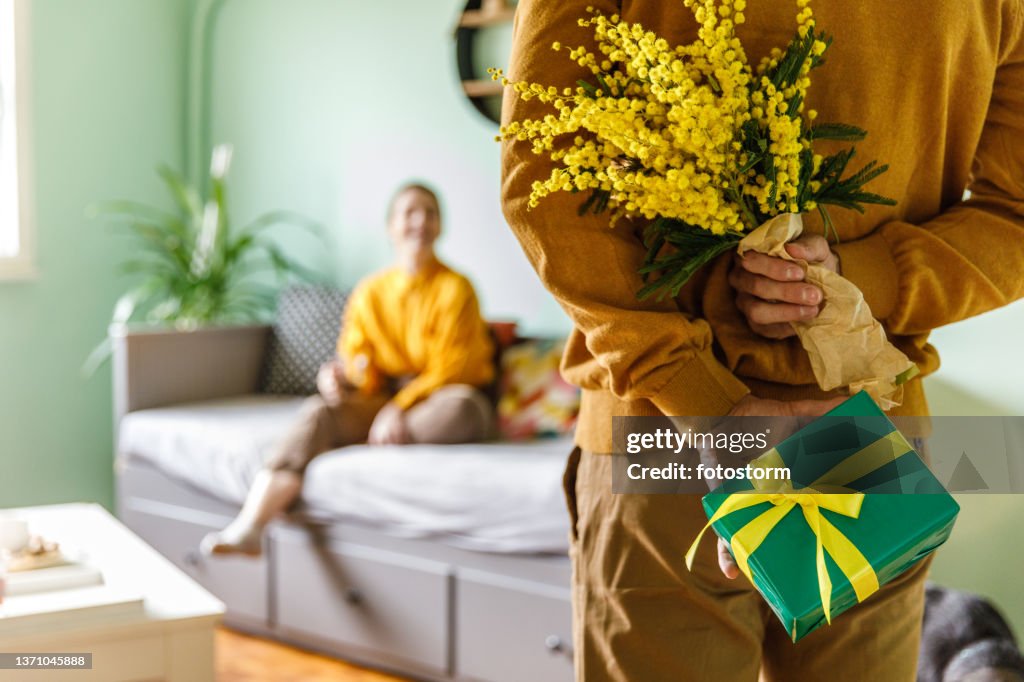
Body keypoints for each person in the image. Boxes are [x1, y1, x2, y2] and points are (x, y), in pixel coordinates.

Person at [501, 2, 1023, 681]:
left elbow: (546, 188)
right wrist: (858, 280)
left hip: (665, 439)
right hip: (867, 427)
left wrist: (705, 400)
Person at [202, 183, 496, 556]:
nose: (420, 221)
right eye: (410, 212)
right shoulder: (371, 292)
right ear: (392, 226)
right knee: (319, 411)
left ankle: (373, 436)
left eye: (430, 213)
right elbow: (360, 364)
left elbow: (452, 368)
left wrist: (399, 408)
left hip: (437, 399)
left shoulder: (457, 288)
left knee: (462, 406)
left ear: (440, 227)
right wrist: (341, 380)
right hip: (382, 401)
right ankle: (251, 525)